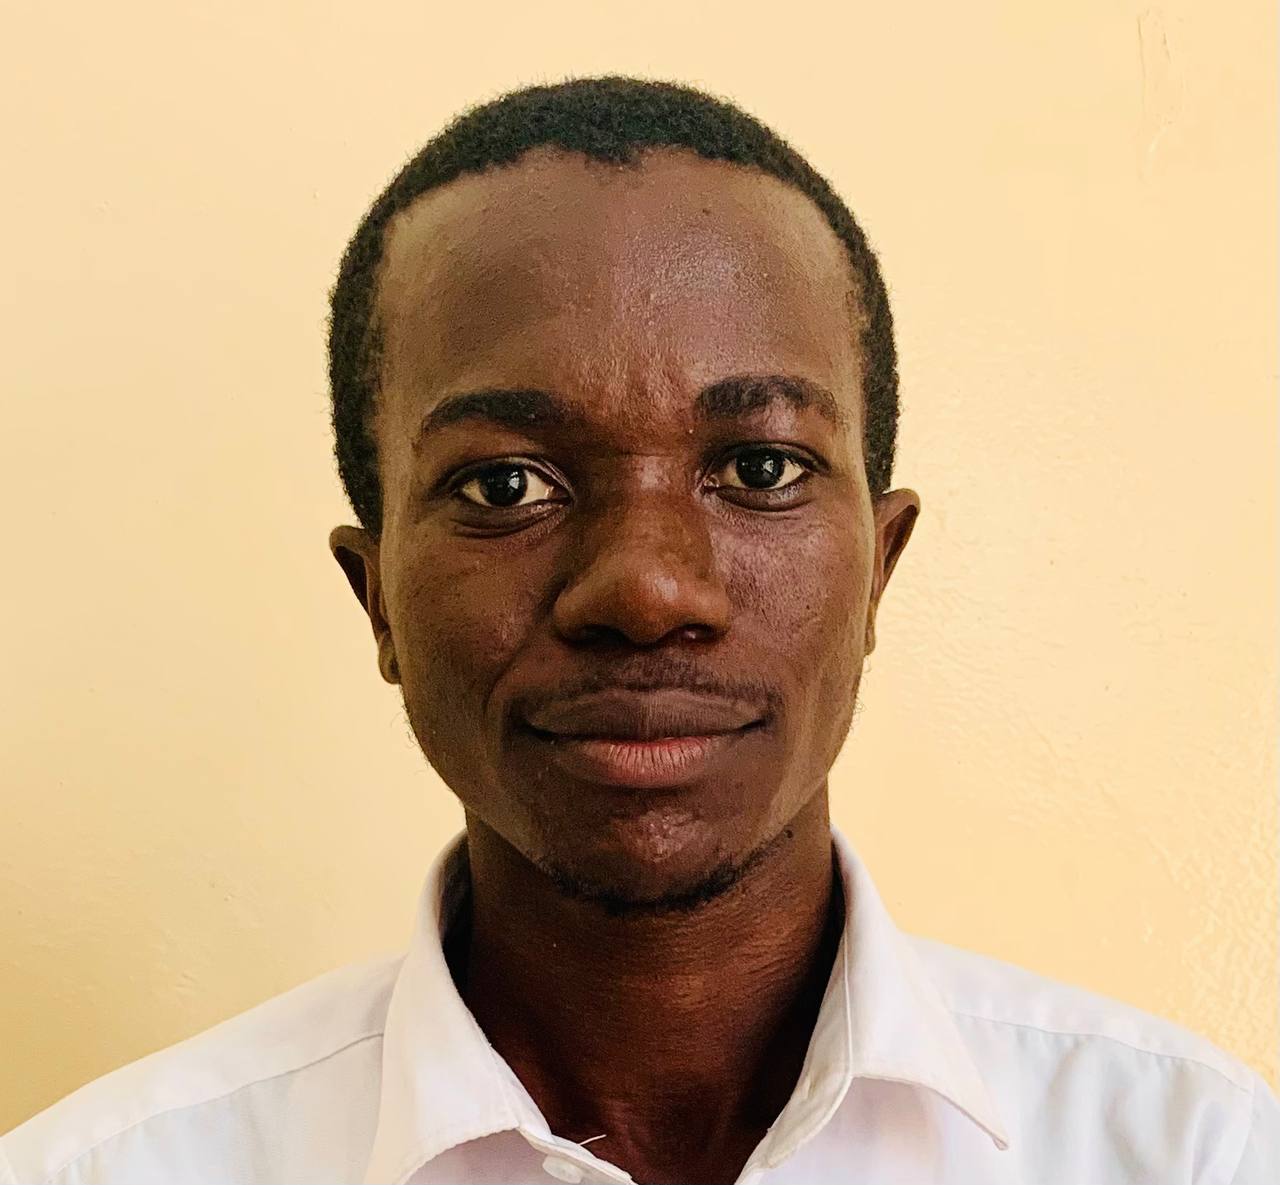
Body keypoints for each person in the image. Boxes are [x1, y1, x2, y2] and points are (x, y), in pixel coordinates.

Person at [2, 75, 1275, 1185]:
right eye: (505, 483)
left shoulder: (1189, 1154)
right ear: (375, 594)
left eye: (760, 469)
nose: (647, 590)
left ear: (877, 572)